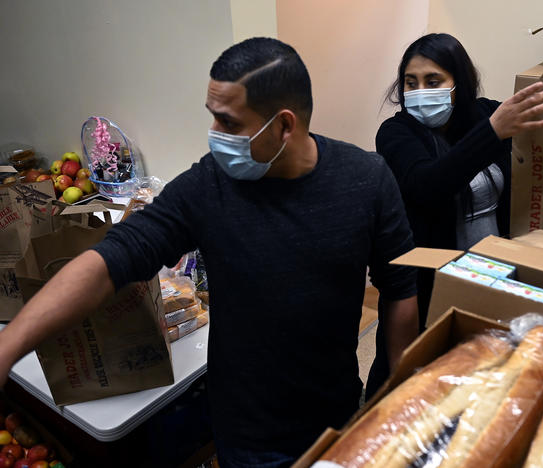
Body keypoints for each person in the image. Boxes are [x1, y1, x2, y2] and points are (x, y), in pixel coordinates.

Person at [0, 38, 419, 468]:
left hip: (338, 417)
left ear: (284, 125)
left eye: (228, 122)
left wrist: (400, 394)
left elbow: (400, 288)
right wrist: (7, 347)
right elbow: (114, 258)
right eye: (212, 118)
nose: (215, 136)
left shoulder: (367, 180)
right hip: (246, 433)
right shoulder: (209, 186)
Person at [366, 33, 543, 397]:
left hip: (493, 271)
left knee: (487, 373)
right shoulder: (396, 132)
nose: (419, 92)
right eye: (410, 83)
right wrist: (493, 132)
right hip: (432, 284)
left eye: (433, 81)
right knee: (427, 380)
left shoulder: (483, 113)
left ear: (459, 83)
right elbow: (426, 185)